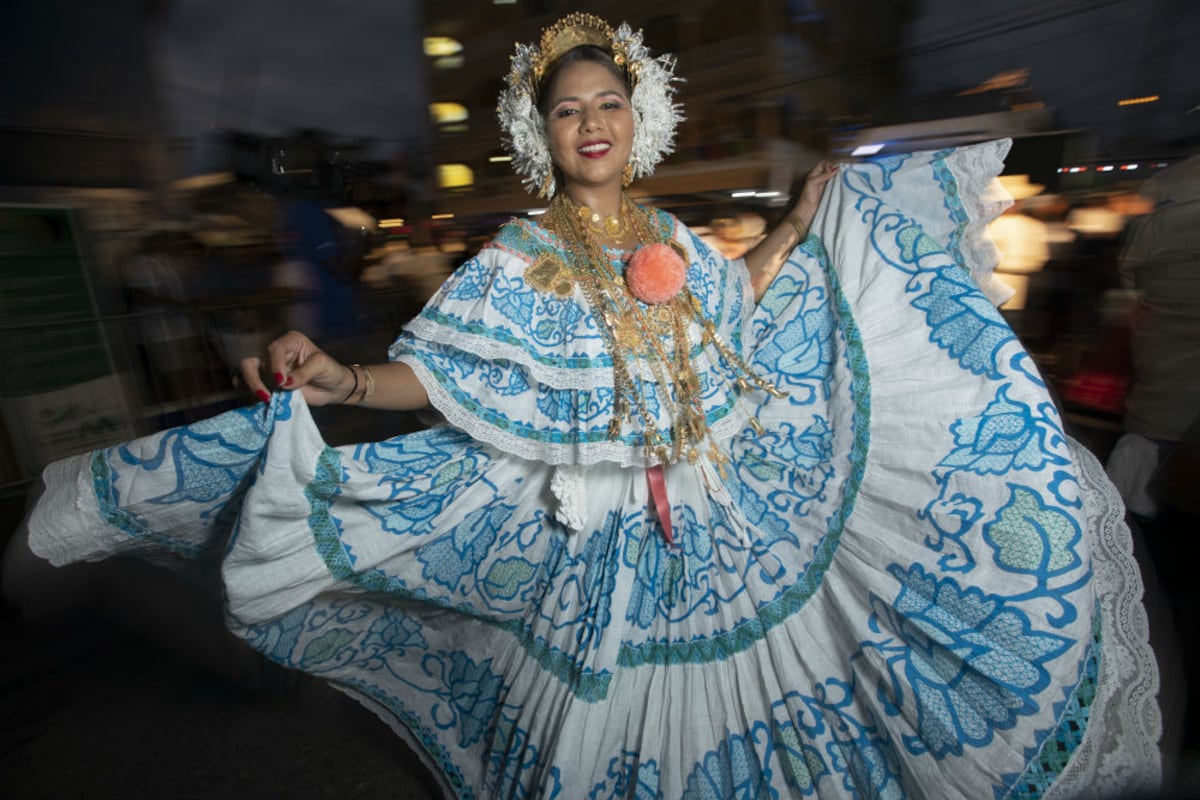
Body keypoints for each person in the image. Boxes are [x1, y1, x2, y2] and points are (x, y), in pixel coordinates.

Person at [11, 14, 1160, 799]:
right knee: (592, 744)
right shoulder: (518, 254)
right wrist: (343, 379)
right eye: (568, 110)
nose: (591, 122)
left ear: (634, 116)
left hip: (716, 515)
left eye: (608, 101)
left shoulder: (668, 235)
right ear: (543, 133)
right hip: (592, 534)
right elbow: (448, 377)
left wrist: (804, 225)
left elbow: (731, 304)